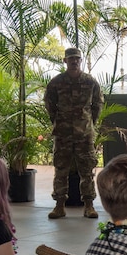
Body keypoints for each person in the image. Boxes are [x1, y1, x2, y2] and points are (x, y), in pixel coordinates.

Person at [44, 47, 103, 220]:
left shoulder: (90, 82)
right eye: (71, 59)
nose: (74, 61)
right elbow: (50, 104)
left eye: (77, 58)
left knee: (87, 171)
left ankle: (89, 206)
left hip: (84, 134)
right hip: (63, 134)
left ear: (80, 60)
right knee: (61, 169)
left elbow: (97, 104)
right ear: (65, 61)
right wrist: (58, 121)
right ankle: (59, 205)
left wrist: (89, 123)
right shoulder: (56, 82)